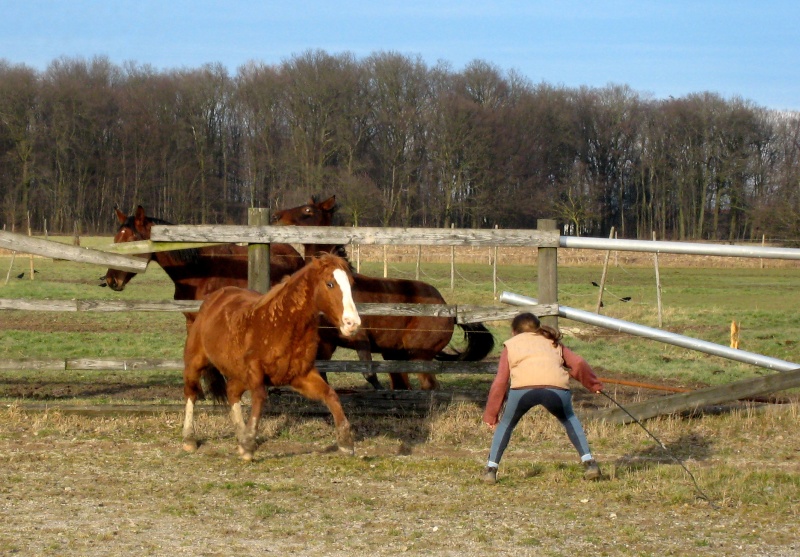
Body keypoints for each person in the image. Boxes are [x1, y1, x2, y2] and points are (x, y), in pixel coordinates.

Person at [482, 312, 604, 483]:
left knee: (506, 424)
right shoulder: (553, 343)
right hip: (556, 388)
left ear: (513, 331)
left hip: (522, 390)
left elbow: (500, 382)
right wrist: (593, 385)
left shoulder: (511, 345)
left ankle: (490, 470)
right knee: (569, 418)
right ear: (538, 329)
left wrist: (491, 414)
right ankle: (590, 463)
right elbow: (578, 363)